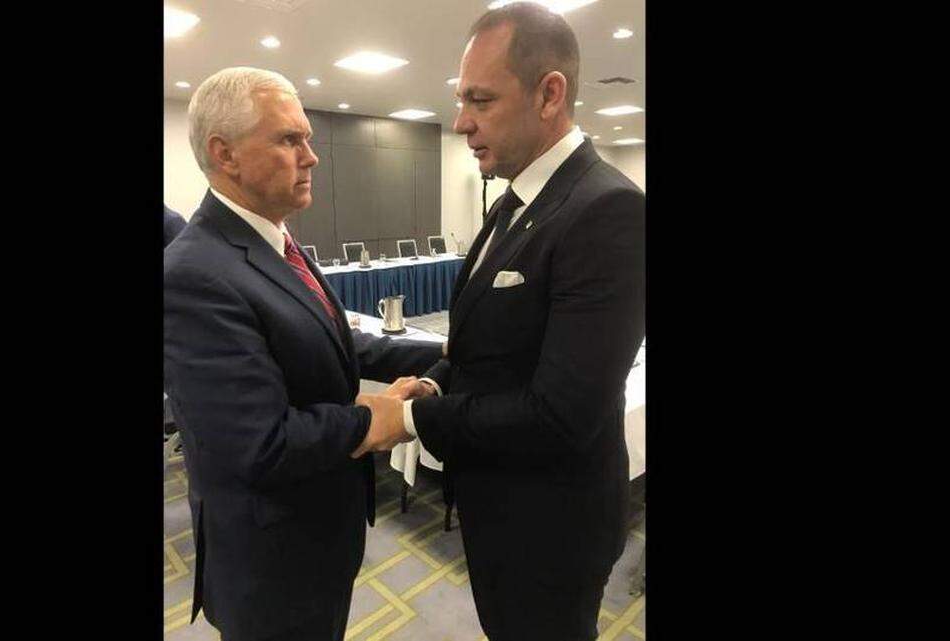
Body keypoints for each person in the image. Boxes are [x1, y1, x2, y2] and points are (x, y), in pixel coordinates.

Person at [354, 3, 646, 639]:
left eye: (481, 101)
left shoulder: (609, 210)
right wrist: (431, 382)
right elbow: (482, 344)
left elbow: (561, 413)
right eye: (462, 100)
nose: (460, 122)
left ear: (550, 94)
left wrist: (405, 416)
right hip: (499, 506)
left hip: (550, 527)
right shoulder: (513, 197)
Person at [163, 67, 442, 641]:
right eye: (290, 139)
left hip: (320, 531)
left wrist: (442, 346)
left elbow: (339, 342)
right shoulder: (193, 273)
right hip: (272, 558)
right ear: (226, 154)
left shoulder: (276, 239)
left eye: (308, 138)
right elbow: (257, 445)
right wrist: (374, 419)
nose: (311, 156)